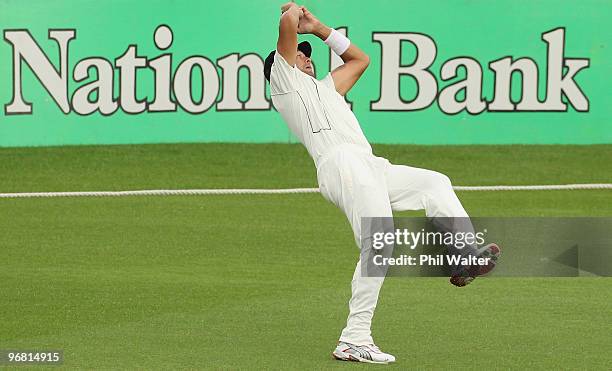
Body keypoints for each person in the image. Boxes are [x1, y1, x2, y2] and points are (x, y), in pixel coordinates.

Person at [264, 2, 500, 364]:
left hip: (370, 164)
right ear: (282, 63)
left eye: (308, 55)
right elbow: (285, 23)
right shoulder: (284, 83)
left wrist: (320, 29)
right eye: (299, 54)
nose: (306, 58)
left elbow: (360, 61)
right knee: (380, 239)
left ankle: (463, 254)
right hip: (339, 163)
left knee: (435, 183)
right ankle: (354, 338)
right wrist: (295, 13)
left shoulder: (327, 87)